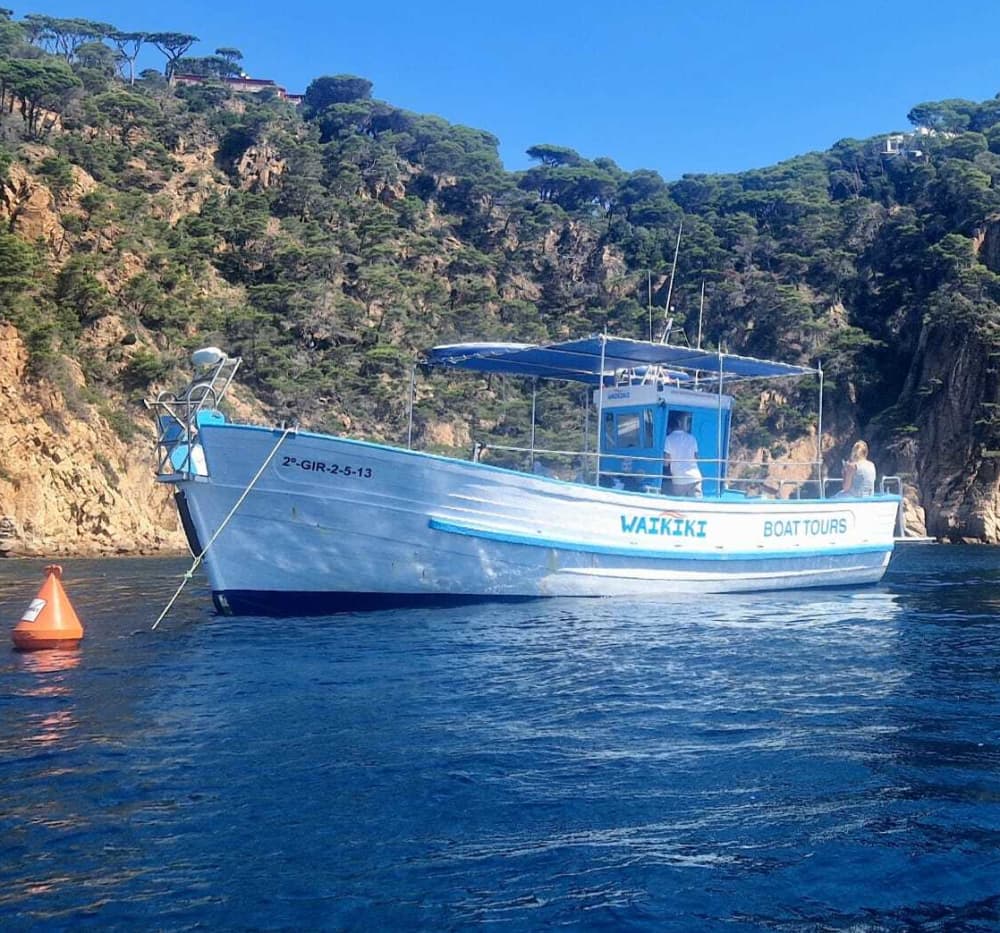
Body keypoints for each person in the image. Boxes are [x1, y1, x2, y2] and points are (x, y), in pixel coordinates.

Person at [663, 412, 702, 497]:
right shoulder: (692, 438)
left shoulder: (668, 439)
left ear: (669, 428)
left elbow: (666, 462)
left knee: (680, 507)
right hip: (695, 477)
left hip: (679, 479)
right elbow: (696, 458)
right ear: (679, 424)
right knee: (696, 506)